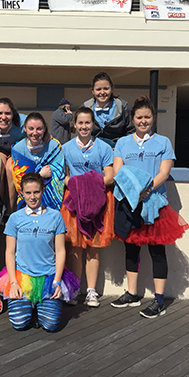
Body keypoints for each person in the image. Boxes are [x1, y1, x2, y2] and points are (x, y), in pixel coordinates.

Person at [111, 95, 188, 318]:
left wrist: (146, 189)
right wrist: (135, 192)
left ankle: (159, 300)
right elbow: (118, 171)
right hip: (131, 203)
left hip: (155, 203)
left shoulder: (163, 142)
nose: (143, 121)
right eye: (139, 117)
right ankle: (132, 294)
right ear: (133, 119)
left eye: (147, 117)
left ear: (153, 118)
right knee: (131, 248)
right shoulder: (123, 143)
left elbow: (164, 172)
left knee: (157, 251)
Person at [0, 172, 79, 331]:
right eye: (28, 193)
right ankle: (29, 308)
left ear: (43, 191)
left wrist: (57, 281)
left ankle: (39, 307)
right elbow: (10, 253)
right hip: (22, 276)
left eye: (36, 192)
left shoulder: (55, 216)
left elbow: (60, 251)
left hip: (48, 277)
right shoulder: (15, 218)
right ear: (22, 193)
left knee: (51, 325)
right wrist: (13, 283)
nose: (32, 197)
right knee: (19, 323)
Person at [61, 107, 115, 307]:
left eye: (88, 123)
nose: (84, 127)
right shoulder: (65, 148)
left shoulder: (104, 148)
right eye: (80, 123)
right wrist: (77, 186)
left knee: (93, 247)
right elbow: (62, 176)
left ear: (93, 124)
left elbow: (109, 176)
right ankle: (75, 289)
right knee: (75, 247)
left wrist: (89, 185)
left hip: (97, 203)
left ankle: (91, 291)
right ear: (74, 125)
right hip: (74, 203)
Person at [12, 112, 65, 211]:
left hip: (51, 196)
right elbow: (19, 180)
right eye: (31, 128)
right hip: (26, 198)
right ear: (25, 129)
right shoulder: (18, 149)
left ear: (44, 129)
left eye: (39, 129)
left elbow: (59, 173)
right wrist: (39, 174)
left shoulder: (54, 146)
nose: (35, 133)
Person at [82, 72, 134, 148]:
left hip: (116, 150)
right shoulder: (85, 107)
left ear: (112, 88)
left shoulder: (122, 106)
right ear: (92, 90)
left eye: (106, 88)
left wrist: (120, 148)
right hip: (92, 150)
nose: (102, 92)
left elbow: (131, 131)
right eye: (98, 89)